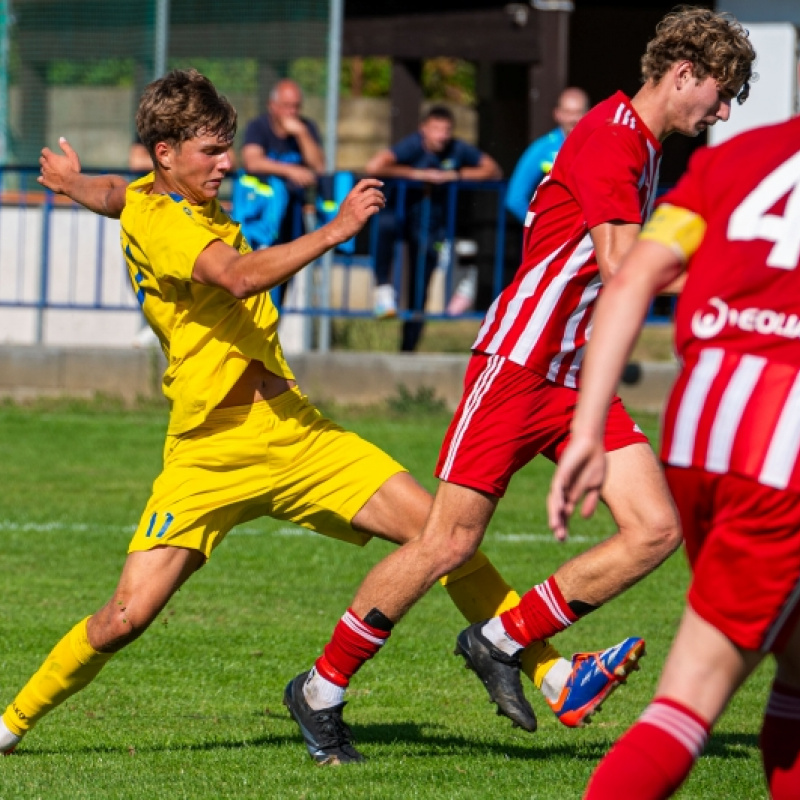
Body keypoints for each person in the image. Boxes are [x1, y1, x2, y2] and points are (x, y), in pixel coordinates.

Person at [0, 68, 613, 766]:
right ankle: (11, 723)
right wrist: (337, 230)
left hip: (296, 434)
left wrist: (72, 183)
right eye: (211, 150)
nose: (227, 162)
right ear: (166, 153)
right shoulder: (167, 220)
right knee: (123, 618)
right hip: (209, 453)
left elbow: (116, 194)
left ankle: (555, 674)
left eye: (228, 145)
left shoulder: (147, 194)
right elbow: (237, 275)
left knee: (444, 537)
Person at [280, 7, 756, 764]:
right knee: (447, 542)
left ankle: (500, 639)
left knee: (658, 530)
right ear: (684, 73)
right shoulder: (612, 139)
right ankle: (320, 688)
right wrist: (747, 279)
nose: (724, 110)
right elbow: (622, 270)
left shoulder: (645, 144)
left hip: (571, 374)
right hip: (518, 367)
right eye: (722, 91)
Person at [548, 102, 800, 800]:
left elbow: (630, 278)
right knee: (687, 701)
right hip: (785, 443)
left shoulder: (735, 158)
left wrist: (589, 430)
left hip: (701, 427)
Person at [365, 106, 502, 351]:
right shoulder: (411, 146)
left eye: (446, 130)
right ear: (424, 129)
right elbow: (374, 166)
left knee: (422, 285)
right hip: (401, 216)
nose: (441, 135)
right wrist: (416, 174)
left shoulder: (458, 149)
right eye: (436, 129)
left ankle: (409, 348)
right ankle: (383, 290)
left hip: (433, 228)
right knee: (382, 225)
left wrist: (454, 176)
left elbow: (492, 169)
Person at [240, 78, 324, 307]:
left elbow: (319, 165)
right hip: (261, 219)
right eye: (287, 106)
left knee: (283, 276)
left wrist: (302, 134)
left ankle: (274, 323)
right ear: (273, 106)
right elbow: (252, 161)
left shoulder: (305, 128)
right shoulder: (258, 127)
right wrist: (289, 171)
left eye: (296, 106)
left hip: (293, 216)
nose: (292, 112)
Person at [505, 87, 590, 224]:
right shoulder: (542, 148)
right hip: (555, 234)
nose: (573, 119)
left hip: (590, 234)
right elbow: (515, 198)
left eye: (578, 112)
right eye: (567, 112)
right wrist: (541, 226)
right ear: (557, 114)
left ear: (588, 113)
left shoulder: (598, 146)